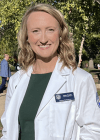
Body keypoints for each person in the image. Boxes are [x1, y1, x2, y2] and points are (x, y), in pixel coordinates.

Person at [0, 4, 100, 140]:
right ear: (27, 37)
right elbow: (8, 131)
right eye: (35, 31)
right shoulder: (16, 81)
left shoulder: (80, 79)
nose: (43, 39)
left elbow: (94, 132)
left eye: (50, 30)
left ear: (60, 34)